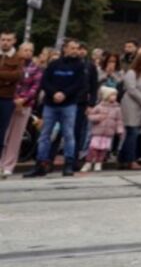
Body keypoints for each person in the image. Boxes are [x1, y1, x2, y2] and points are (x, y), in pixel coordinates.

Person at [24, 38, 90, 177]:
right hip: (50, 104)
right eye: (72, 48)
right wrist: (53, 93)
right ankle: (40, 164)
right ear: (65, 48)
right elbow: (45, 81)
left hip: (69, 104)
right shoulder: (54, 64)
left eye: (77, 48)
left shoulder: (80, 66)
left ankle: (68, 164)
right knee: (45, 135)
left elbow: (80, 84)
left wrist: (64, 94)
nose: (75, 51)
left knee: (68, 134)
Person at [1, 41, 40, 178]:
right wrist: (15, 98)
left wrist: (23, 100)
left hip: (25, 104)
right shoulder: (13, 63)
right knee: (3, 133)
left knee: (16, 137)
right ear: (19, 50)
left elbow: (35, 86)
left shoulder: (35, 68)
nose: (28, 53)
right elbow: (10, 82)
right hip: (9, 100)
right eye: (25, 50)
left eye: (30, 50)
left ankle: (8, 165)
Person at [83, 86, 124, 172]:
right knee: (93, 147)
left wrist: (119, 130)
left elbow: (119, 120)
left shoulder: (117, 109)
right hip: (97, 132)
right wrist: (98, 117)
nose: (114, 97)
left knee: (104, 149)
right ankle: (88, 162)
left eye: (115, 95)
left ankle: (99, 162)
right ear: (106, 96)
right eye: (112, 95)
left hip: (108, 133)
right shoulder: (99, 106)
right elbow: (90, 116)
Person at [0, 30, 20, 150]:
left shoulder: (18, 58)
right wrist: (6, 80)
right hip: (6, 91)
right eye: (3, 39)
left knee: (1, 131)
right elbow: (10, 77)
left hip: (6, 99)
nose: (5, 42)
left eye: (8, 40)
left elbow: (16, 76)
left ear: (14, 41)